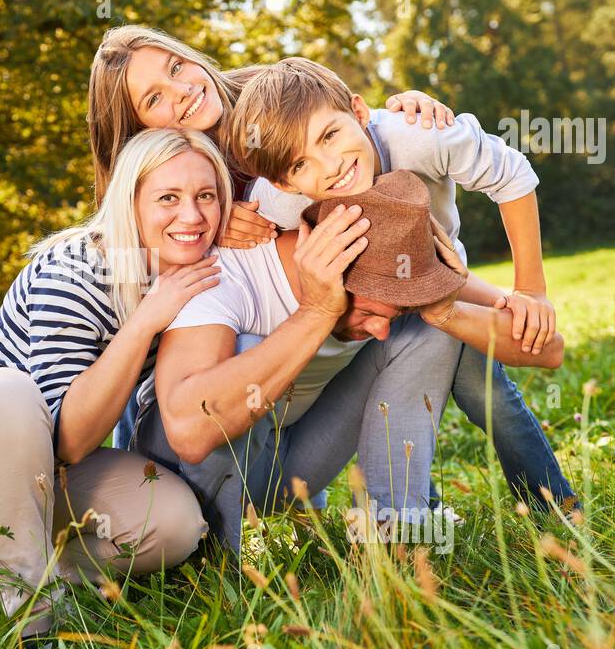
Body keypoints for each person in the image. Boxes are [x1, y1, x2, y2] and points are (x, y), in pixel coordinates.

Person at [0, 127, 234, 639]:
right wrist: (145, 321)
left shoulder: (190, 275)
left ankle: (34, 563)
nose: (191, 216)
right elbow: (71, 439)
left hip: (48, 479)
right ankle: (33, 617)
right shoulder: (76, 271)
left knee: (175, 524)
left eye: (205, 196)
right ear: (130, 201)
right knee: (7, 391)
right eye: (168, 197)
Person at [135, 169, 562, 556]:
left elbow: (550, 351)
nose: (379, 331)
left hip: (286, 468)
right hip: (179, 484)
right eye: (370, 313)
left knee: (429, 330)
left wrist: (447, 311)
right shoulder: (225, 275)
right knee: (244, 353)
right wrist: (318, 313)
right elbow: (190, 435)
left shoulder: (397, 255)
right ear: (325, 271)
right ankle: (213, 567)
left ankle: (393, 538)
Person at [227, 56, 578, 510]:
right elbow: (247, 243)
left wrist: (529, 289)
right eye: (301, 163)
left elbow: (511, 175)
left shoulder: (417, 136)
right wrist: (227, 224)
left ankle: (554, 504)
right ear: (284, 182)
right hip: (366, 296)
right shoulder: (276, 200)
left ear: (358, 112)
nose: (330, 166)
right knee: (396, 386)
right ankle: (413, 510)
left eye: (330, 135)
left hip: (436, 271)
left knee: (485, 392)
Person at [87, 24, 455, 448]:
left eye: (176, 67)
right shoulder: (153, 193)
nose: (181, 90)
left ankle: (409, 491)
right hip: (201, 352)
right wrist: (208, 224)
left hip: (321, 308)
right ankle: (155, 466)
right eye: (154, 99)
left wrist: (399, 116)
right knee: (238, 356)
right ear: (139, 130)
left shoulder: (260, 94)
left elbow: (343, 129)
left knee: (434, 327)